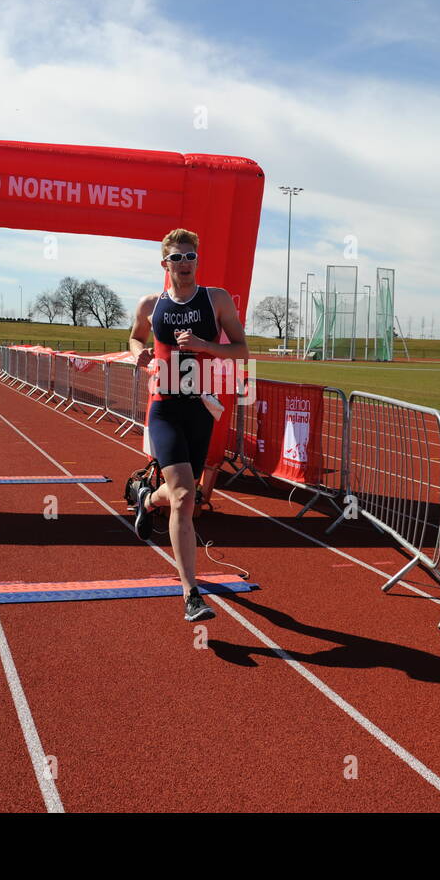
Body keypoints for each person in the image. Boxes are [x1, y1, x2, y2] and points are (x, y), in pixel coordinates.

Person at [129, 228, 248, 622]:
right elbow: (134, 338)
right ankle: (191, 593)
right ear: (164, 264)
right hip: (163, 407)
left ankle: (145, 499)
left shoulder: (215, 300)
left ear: (198, 260)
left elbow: (241, 349)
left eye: (190, 256)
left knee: (185, 494)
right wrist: (138, 354)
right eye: (176, 258)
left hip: (199, 408)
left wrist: (205, 346)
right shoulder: (151, 303)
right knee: (182, 497)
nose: (184, 263)